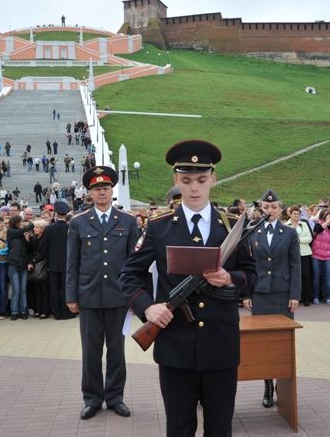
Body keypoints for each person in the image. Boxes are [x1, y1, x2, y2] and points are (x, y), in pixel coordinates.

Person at [119, 139, 256, 437]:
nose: (194, 188)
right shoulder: (159, 226)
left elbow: (252, 276)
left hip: (220, 345)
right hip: (175, 347)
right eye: (186, 180)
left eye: (201, 180)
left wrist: (230, 279)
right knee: (179, 428)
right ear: (176, 180)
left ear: (213, 179)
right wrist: (148, 307)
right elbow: (129, 274)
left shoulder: (232, 225)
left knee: (220, 428)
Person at [67, 168, 139, 420]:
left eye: (106, 188)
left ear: (112, 191)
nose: (102, 192)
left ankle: (115, 397)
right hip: (89, 297)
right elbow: (72, 262)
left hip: (119, 298)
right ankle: (92, 399)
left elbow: (134, 264)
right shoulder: (78, 222)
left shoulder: (128, 222)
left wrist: (134, 297)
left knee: (117, 352)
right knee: (91, 352)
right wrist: (71, 296)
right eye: (97, 189)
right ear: (90, 192)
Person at [244, 188, 300, 408]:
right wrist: (246, 293)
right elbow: (247, 266)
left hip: (282, 293)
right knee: (263, 344)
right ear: (261, 208)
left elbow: (296, 265)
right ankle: (268, 386)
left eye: (274, 207)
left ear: (280, 208)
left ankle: (282, 385)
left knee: (283, 343)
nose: (270, 210)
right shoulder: (251, 232)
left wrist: (295, 294)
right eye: (266, 207)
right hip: (260, 293)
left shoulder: (289, 233)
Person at [42, 202, 76, 320]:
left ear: (55, 213)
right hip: (68, 264)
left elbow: (44, 247)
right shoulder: (70, 228)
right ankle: (67, 311)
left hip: (52, 263)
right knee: (66, 289)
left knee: (54, 289)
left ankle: (56, 312)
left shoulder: (49, 229)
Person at [286, 206, 313, 306]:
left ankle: (307, 297)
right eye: (294, 213)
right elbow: (286, 240)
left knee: (306, 275)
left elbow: (309, 238)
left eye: (298, 214)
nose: (296, 215)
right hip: (292, 255)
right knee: (294, 276)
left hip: (305, 253)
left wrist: (298, 240)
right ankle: (296, 296)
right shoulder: (286, 225)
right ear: (290, 214)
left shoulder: (304, 224)